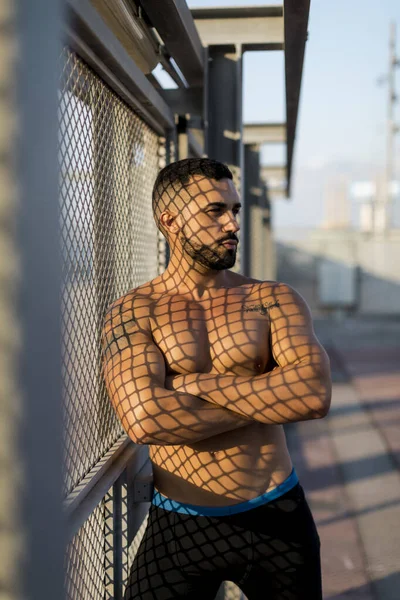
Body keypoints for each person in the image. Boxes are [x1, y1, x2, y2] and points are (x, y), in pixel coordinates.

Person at [102, 157, 331, 600]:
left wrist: (198, 385)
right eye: (214, 211)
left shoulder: (272, 299)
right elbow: (146, 420)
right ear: (171, 220)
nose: (231, 224)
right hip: (180, 521)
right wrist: (268, 397)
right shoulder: (134, 311)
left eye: (235, 209)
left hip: (277, 514)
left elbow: (314, 395)